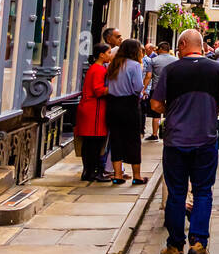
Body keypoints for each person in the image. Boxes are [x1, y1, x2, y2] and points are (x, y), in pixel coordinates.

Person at [152, 29, 219, 254]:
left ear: (184, 44)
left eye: (178, 45)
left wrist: (172, 111)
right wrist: (209, 111)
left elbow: (155, 104)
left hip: (176, 140)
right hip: (205, 139)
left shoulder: (171, 70)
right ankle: (199, 243)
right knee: (203, 191)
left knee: (176, 193)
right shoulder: (216, 69)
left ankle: (175, 245)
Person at [105, 38, 147, 185]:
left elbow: (107, 84)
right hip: (129, 105)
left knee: (116, 139)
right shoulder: (135, 66)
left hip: (112, 104)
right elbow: (137, 87)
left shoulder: (113, 64)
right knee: (133, 140)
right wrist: (141, 95)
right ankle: (137, 176)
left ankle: (117, 175)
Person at [76, 44, 112, 182]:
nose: (109, 55)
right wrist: (115, 87)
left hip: (90, 108)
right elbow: (98, 90)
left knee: (90, 143)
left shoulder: (96, 68)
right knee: (94, 143)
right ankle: (92, 172)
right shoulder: (98, 69)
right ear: (101, 55)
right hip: (94, 109)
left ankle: (88, 171)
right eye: (108, 52)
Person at [143, 41, 177, 141]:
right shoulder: (175, 60)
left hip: (156, 88)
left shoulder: (153, 61)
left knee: (155, 113)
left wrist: (143, 88)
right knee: (171, 111)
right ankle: (170, 133)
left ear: (161, 49)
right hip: (171, 88)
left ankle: (154, 134)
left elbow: (148, 76)